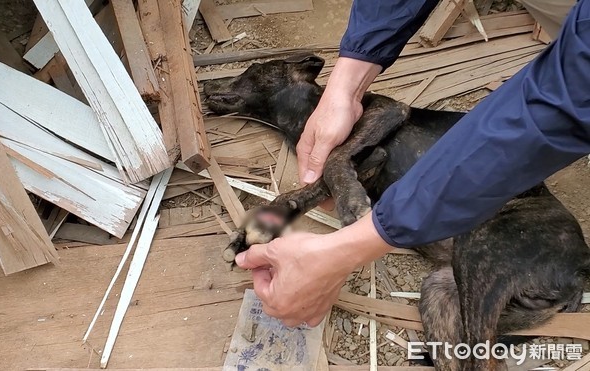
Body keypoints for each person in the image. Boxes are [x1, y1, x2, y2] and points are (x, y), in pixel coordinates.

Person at [234, 0, 590, 328]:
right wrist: (348, 81)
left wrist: (345, 251)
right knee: (440, 296)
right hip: (489, 252)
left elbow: (549, 110)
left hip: (525, 227)